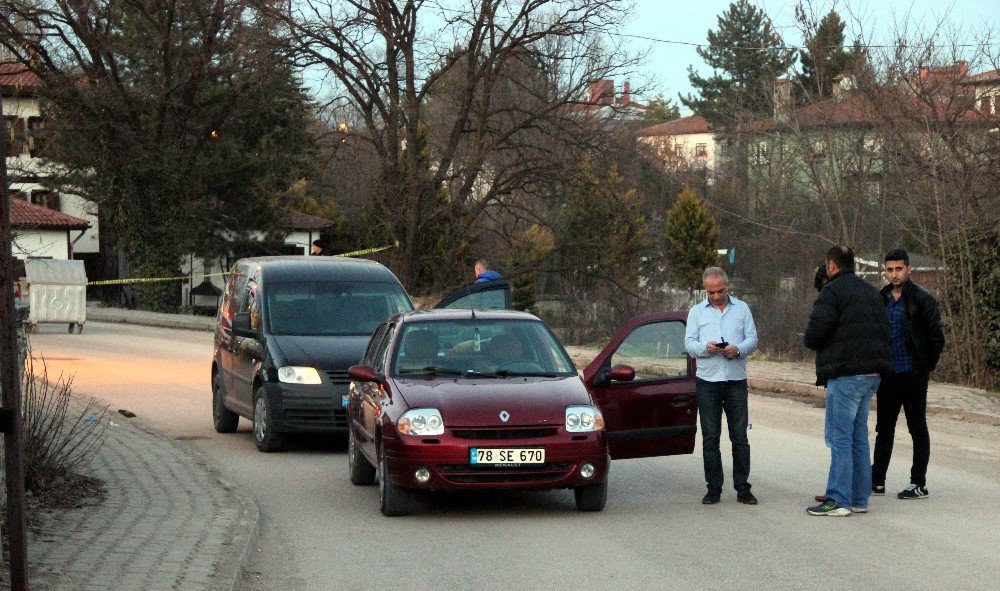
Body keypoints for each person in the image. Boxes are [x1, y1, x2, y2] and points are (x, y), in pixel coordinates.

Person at [804, 246, 891, 516]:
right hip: (872, 374)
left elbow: (814, 334)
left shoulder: (832, 291)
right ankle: (858, 498)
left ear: (831, 266)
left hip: (845, 373)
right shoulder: (870, 291)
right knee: (858, 437)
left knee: (839, 437)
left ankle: (838, 499)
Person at [871, 249, 944, 500]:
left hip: (913, 374)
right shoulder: (881, 297)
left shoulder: (922, 298)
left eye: (898, 269)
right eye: (889, 270)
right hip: (888, 375)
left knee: (917, 427)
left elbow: (936, 337)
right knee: (884, 429)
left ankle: (918, 483)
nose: (894, 274)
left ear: (908, 269)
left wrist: (925, 365)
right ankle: (877, 480)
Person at [684, 267, 759, 505]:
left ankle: (742, 487)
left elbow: (752, 339)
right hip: (708, 381)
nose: (716, 296)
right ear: (705, 290)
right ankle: (713, 488)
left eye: (720, 290)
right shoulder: (696, 312)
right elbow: (689, 343)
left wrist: (738, 350)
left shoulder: (742, 309)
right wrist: (706, 348)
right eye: (711, 292)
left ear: (727, 287)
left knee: (739, 436)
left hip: (735, 379)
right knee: (710, 437)